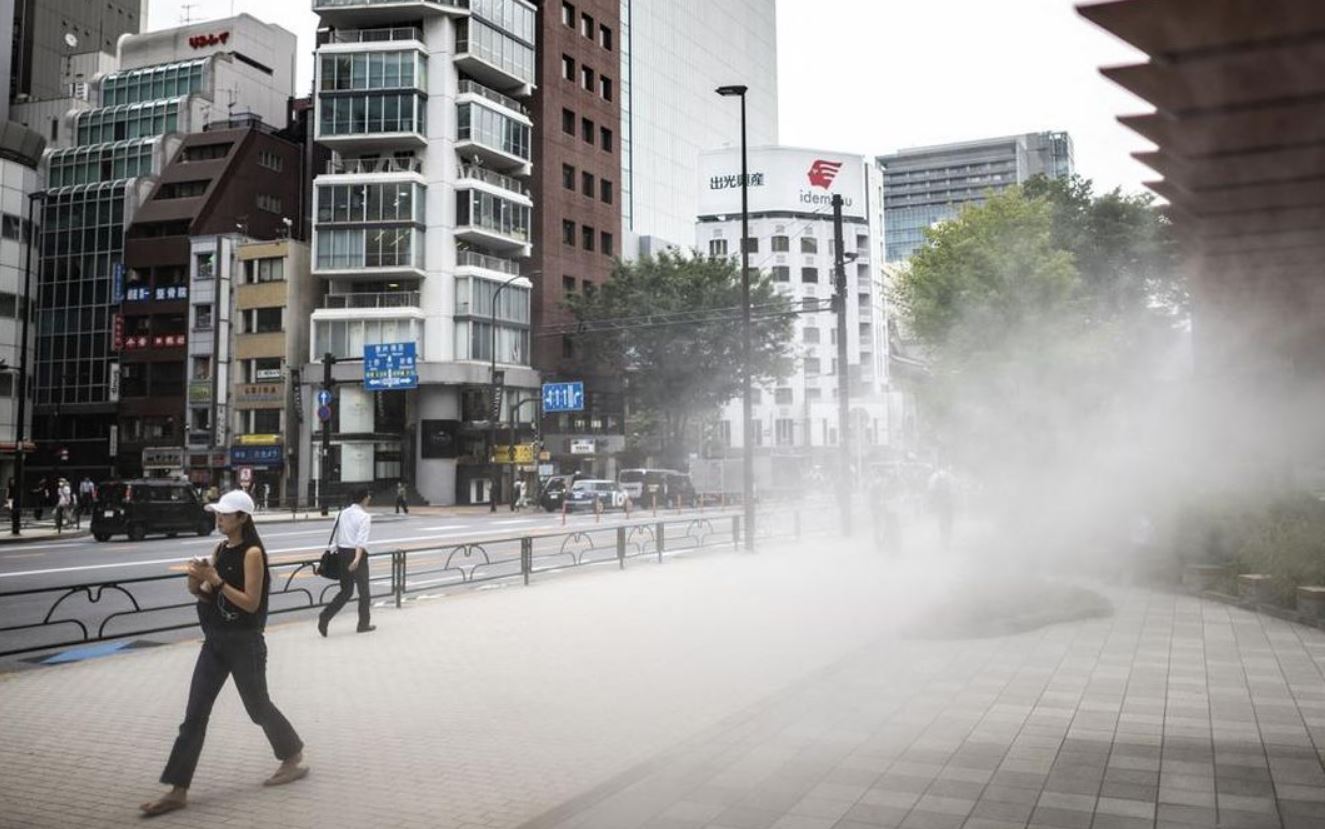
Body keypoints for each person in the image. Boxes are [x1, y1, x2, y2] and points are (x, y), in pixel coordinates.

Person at [139, 490, 307, 817]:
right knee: (194, 716)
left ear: (242, 518)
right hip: (215, 641)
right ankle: (177, 790)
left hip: (245, 643)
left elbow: (250, 604)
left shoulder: (253, 553)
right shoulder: (219, 549)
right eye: (217, 513)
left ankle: (292, 754)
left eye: (225, 514)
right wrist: (196, 581)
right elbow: (207, 596)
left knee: (258, 707)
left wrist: (215, 580)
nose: (219, 518)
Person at [318, 488, 375, 636]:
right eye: (368, 496)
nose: (369, 498)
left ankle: (325, 616)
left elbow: (336, 536)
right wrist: (356, 559)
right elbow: (361, 541)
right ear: (364, 498)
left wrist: (336, 551)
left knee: (346, 591)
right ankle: (363, 624)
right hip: (357, 556)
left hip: (342, 554)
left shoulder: (341, 513)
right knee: (364, 592)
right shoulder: (364, 517)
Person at [927, 466, 957, 550]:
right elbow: (955, 490)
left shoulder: (934, 476)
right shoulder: (950, 476)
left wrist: (931, 502)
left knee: (941, 520)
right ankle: (947, 539)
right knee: (949, 521)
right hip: (949, 502)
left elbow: (930, 490)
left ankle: (943, 539)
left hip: (940, 502)